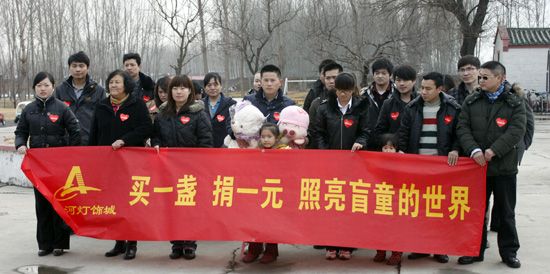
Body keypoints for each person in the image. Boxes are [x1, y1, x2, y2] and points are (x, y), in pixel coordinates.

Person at [456, 61, 526, 269]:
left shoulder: (514, 103)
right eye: (481, 77)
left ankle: (509, 252)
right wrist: (474, 150)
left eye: (486, 77)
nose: (481, 81)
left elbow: (516, 130)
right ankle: (474, 251)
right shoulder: (472, 101)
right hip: (476, 168)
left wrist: (493, 151)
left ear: (500, 78)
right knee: (476, 211)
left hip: (504, 167)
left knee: (505, 212)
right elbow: (462, 127)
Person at [397, 72, 461, 264]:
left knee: (440, 209)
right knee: (419, 209)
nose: (423, 92)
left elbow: (459, 133)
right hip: (418, 166)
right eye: (422, 88)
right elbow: (404, 133)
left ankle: (440, 248)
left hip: (441, 167)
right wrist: (402, 152)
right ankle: (421, 246)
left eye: (428, 88)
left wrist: (456, 149)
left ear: (439, 89)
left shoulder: (452, 108)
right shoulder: (412, 107)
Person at [89, 70, 153, 260]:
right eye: (111, 83)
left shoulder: (136, 104)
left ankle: (132, 243)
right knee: (113, 203)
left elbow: (146, 128)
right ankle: (118, 242)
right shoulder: (102, 106)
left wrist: (124, 140)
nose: (113, 86)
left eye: (117, 82)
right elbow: (94, 133)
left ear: (126, 84)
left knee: (131, 203)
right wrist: (91, 156)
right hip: (108, 164)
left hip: (131, 163)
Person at [15, 72, 81, 257]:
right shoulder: (28, 110)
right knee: (41, 203)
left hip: (58, 165)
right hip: (38, 164)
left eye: (46, 85)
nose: (43, 89)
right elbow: (21, 131)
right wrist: (20, 144)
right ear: (34, 88)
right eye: (39, 86)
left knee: (58, 202)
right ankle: (44, 244)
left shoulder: (62, 108)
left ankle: (60, 244)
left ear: (53, 86)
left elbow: (75, 132)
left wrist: (68, 154)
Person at [151, 75, 213, 260]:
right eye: (175, 88)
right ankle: (176, 243)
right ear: (170, 91)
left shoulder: (198, 113)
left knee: (188, 206)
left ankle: (189, 243)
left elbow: (206, 142)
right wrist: (155, 144)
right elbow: (156, 136)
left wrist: (199, 163)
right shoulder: (162, 113)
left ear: (190, 91)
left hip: (191, 170)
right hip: (168, 169)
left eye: (183, 88)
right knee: (170, 207)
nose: (179, 91)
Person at [315, 72, 369, 260]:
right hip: (330, 163)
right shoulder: (324, 108)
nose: (343, 95)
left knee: (350, 204)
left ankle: (347, 245)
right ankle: (330, 244)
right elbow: (319, 133)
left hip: (353, 163)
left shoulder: (361, 107)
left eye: (347, 91)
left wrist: (361, 142)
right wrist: (325, 153)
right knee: (331, 203)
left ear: (353, 90)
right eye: (340, 91)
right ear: (335, 90)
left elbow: (366, 131)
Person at [241, 123, 288, 264]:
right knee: (255, 221)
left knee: (272, 223)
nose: (266, 140)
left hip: (275, 194)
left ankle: (271, 251)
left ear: (277, 138)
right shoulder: (256, 151)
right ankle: (254, 249)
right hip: (258, 193)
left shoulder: (285, 152)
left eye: (269, 136)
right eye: (263, 137)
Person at [55, 51, 106, 145]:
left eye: (81, 66)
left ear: (87, 68)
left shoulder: (98, 91)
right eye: (74, 66)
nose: (78, 69)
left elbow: (103, 118)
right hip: (66, 142)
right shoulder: (60, 90)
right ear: (69, 68)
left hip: (90, 141)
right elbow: (55, 116)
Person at [373, 133, 402, 265]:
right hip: (381, 198)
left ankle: (396, 253)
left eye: (391, 148)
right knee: (380, 226)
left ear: (396, 149)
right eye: (385, 148)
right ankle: (380, 251)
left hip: (396, 201)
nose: (388, 151)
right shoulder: (375, 161)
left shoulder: (402, 161)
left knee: (396, 227)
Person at [373, 64, 417, 150]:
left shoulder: (420, 103)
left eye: (405, 80)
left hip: (416, 154)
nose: (401, 83)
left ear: (414, 81)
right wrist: (390, 145)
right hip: (394, 154)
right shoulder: (388, 104)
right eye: (398, 80)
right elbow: (379, 131)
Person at [360, 58, 396, 150]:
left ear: (390, 75)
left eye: (384, 73)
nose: (380, 76)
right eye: (377, 73)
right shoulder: (363, 95)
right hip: (369, 144)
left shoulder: (397, 94)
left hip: (391, 146)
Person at [307, 62, 343, 149]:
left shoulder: (353, 101)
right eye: (328, 78)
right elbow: (313, 131)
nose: (331, 81)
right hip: (323, 152)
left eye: (334, 77)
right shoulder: (316, 104)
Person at [202, 72, 236, 148]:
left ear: (221, 86)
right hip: (205, 148)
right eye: (209, 85)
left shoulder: (231, 104)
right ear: (204, 88)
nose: (212, 88)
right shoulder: (200, 105)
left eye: (215, 84)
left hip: (226, 148)